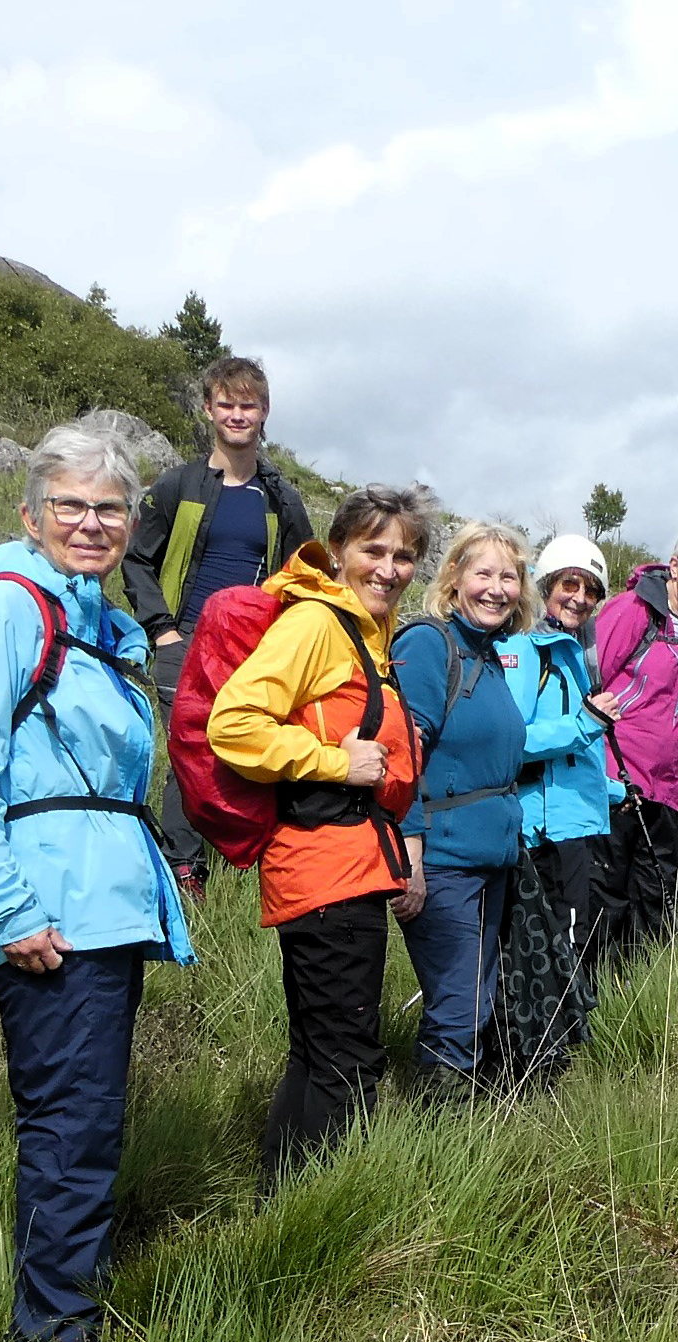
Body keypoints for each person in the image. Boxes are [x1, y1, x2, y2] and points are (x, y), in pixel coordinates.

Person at [0, 422, 193, 1342]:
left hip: (102, 905)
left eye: (109, 508)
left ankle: (64, 1315)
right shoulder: (7, 611)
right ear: (29, 515)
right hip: (51, 912)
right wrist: (5, 909)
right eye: (70, 505)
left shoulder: (92, 620)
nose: (90, 522)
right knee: (71, 1129)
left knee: (87, 1122)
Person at [206, 486, 429, 1181]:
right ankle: (319, 1217)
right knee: (351, 1061)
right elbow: (232, 723)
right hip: (328, 871)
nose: (389, 568)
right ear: (338, 551)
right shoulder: (317, 625)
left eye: (405, 556)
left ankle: (280, 1201)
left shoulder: (367, 633)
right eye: (374, 550)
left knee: (319, 1052)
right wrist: (338, 761)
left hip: (338, 870)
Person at [127, 356, 315, 894]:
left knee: (252, 745)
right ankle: (184, 869)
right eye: (226, 404)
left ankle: (252, 858)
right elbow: (137, 558)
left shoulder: (281, 496)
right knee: (191, 748)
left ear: (265, 412)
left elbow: (301, 571)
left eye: (248, 405)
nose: (237, 414)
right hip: (184, 637)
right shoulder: (177, 485)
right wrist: (161, 628)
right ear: (209, 409)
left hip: (254, 645)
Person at [391, 519, 534, 1087]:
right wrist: (411, 854)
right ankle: (439, 1137)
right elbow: (403, 755)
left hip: (490, 857)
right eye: (484, 573)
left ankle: (454, 1123)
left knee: (477, 993)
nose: (497, 588)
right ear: (453, 579)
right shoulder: (430, 645)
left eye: (510, 576)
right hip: (445, 859)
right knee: (459, 1002)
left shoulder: (491, 656)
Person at [489, 533, 619, 1083]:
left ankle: (545, 1056)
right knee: (552, 945)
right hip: (544, 831)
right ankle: (533, 1063)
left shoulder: (569, 654)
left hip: (574, 822)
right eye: (571, 584)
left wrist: (612, 791)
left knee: (570, 941)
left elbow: (576, 756)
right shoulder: (525, 652)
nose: (580, 597)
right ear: (547, 586)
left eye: (590, 589)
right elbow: (511, 740)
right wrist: (586, 722)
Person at [585, 520, 678, 968]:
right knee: (603, 904)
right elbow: (589, 687)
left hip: (664, 794)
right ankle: (589, 1001)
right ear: (674, 565)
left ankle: (633, 1004)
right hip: (613, 783)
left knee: (651, 905)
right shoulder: (632, 610)